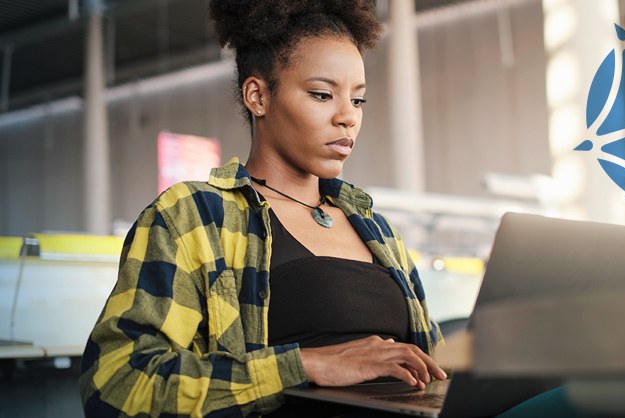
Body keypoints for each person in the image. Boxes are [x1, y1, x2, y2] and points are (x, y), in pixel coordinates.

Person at [79, 1, 445, 416]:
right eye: (322, 94)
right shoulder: (193, 217)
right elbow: (117, 382)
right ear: (258, 96)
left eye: (358, 101)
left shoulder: (378, 231)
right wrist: (307, 365)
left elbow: (433, 367)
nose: (347, 117)